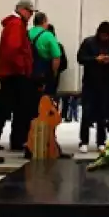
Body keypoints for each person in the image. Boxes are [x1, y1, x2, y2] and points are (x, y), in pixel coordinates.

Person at [0, 0, 37, 164]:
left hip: (11, 74)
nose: (31, 15)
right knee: (18, 110)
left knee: (4, 111)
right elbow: (14, 50)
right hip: (15, 75)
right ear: (22, 10)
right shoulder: (16, 25)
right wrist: (22, 70)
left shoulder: (14, 24)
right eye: (29, 11)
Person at [26, 12, 66, 157]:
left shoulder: (27, 34)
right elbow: (56, 57)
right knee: (47, 110)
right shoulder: (48, 35)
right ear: (44, 22)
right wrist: (53, 74)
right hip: (43, 77)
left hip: (28, 77)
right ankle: (47, 143)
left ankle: (29, 143)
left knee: (31, 111)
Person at [76, 21, 109, 152]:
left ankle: (101, 141)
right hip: (90, 83)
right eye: (103, 34)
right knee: (87, 113)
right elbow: (80, 58)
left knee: (102, 114)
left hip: (106, 84)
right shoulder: (88, 42)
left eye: (107, 35)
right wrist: (95, 59)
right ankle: (84, 141)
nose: (105, 37)